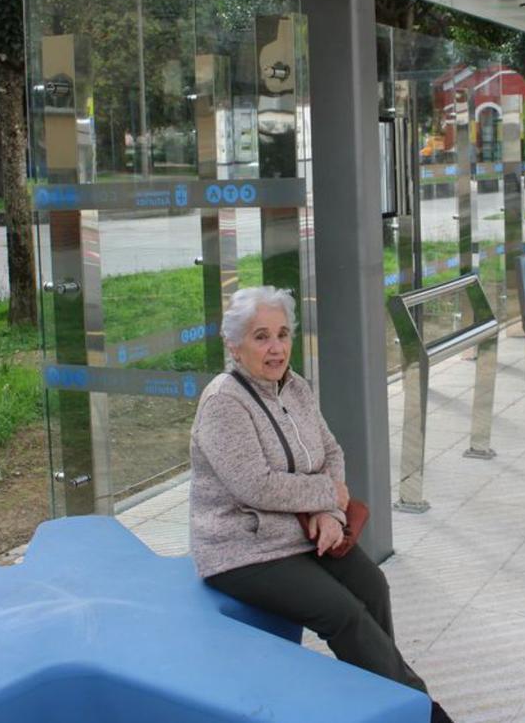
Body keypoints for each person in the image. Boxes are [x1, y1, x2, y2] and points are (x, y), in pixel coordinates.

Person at [190, 286, 454, 723]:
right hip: (243, 550)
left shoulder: (295, 387)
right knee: (344, 614)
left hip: (303, 535)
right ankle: (421, 711)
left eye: (282, 334)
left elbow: (330, 453)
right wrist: (328, 497)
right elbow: (255, 486)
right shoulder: (224, 402)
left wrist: (330, 513)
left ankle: (385, 700)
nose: (276, 348)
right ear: (234, 345)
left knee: (373, 586)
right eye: (261, 337)